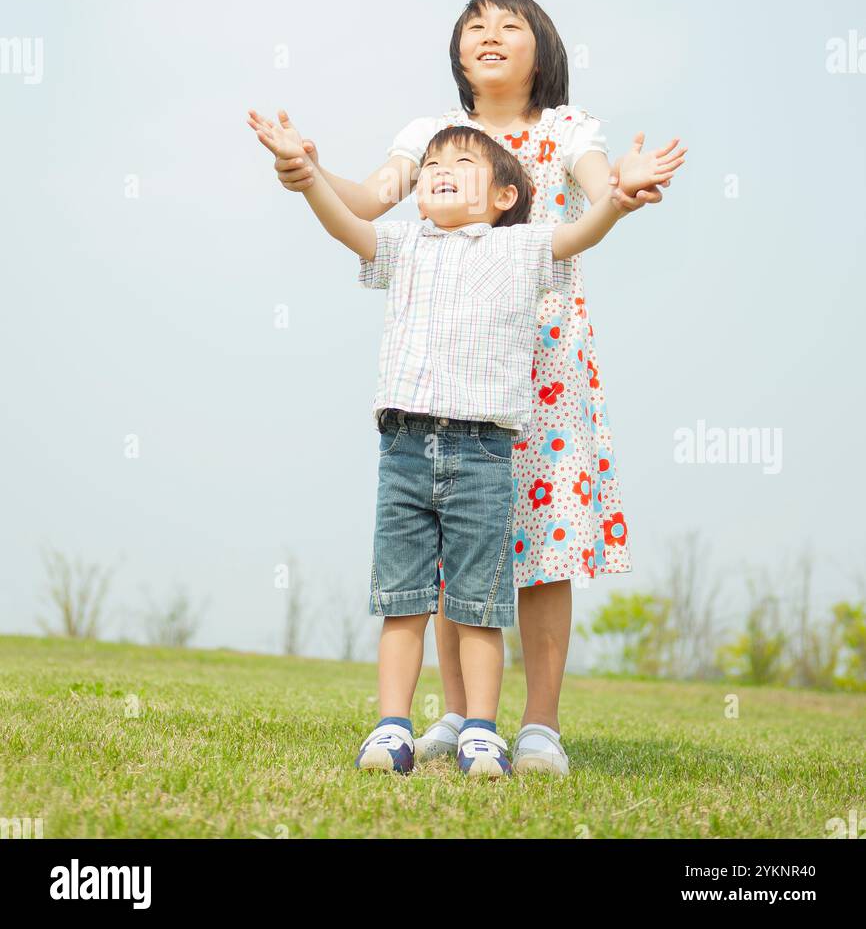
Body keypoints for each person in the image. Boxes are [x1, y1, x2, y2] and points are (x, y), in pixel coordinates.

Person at [248, 104, 686, 777]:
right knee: (403, 603)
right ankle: (391, 726)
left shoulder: (521, 246)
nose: (440, 172)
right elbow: (348, 224)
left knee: (479, 603)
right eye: (431, 167)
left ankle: (482, 729)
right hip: (403, 447)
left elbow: (581, 233)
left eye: (461, 165)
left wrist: (620, 201)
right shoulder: (404, 245)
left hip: (483, 453)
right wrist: (308, 175)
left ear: (506, 195)